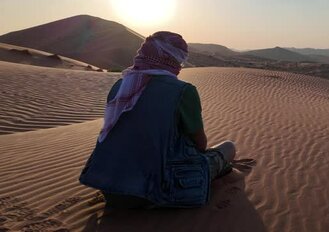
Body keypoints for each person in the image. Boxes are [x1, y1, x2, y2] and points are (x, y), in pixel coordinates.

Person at [79, 31, 235, 208]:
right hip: (158, 191)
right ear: (173, 59)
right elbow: (200, 144)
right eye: (180, 60)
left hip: (111, 190)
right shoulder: (183, 91)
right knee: (228, 147)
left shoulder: (120, 86)